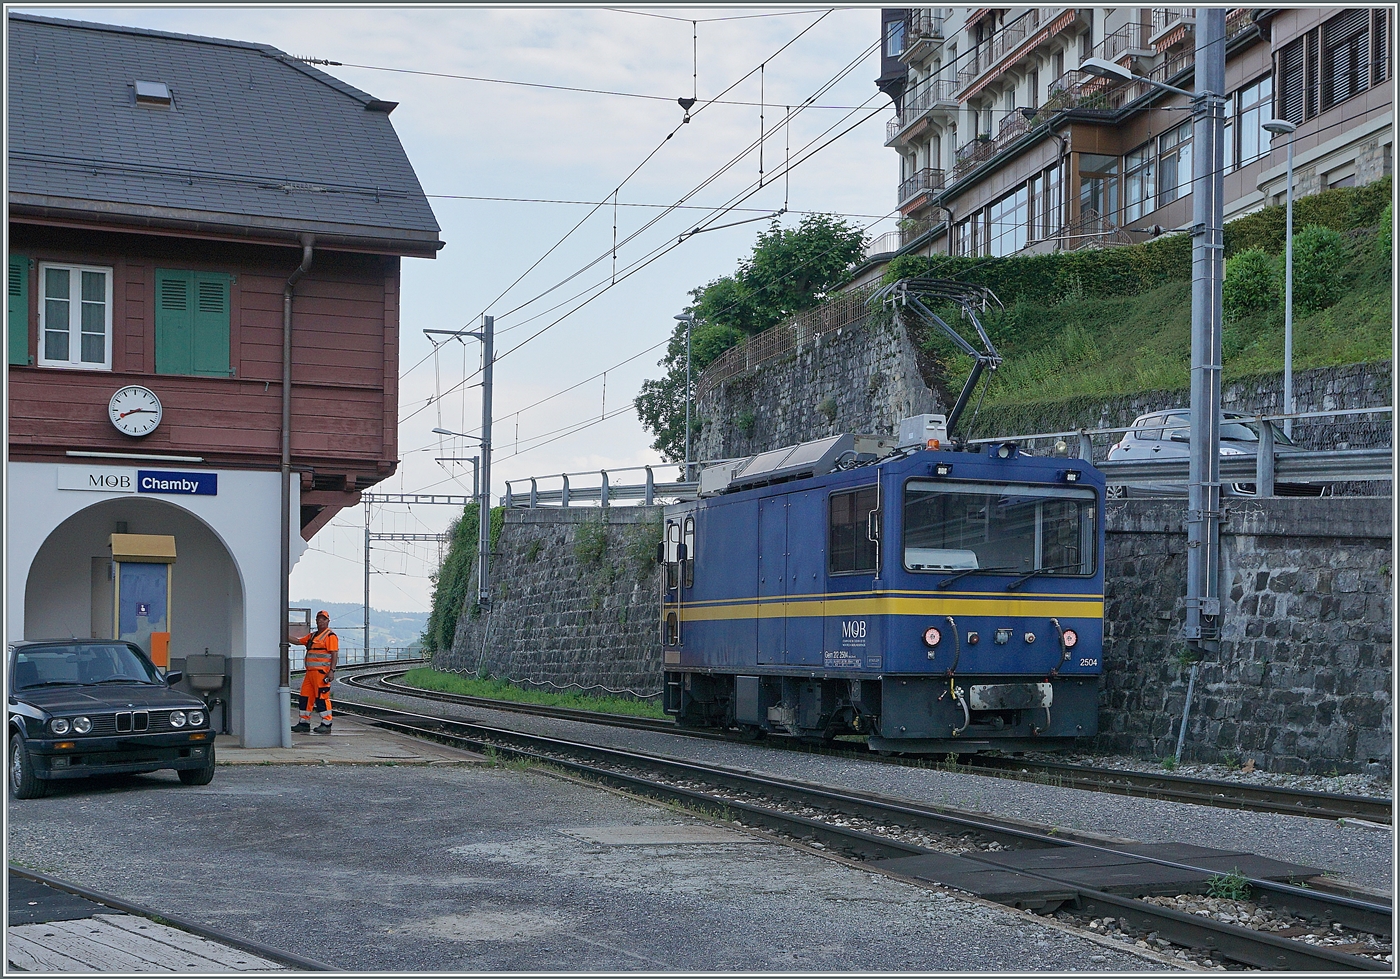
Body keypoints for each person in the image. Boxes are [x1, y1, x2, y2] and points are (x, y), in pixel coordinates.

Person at [291, 610, 338, 733]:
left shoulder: (330, 636)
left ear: (328, 621)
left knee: (322, 698)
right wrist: (282, 634)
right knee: (305, 697)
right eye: (319, 619)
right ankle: (304, 723)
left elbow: (334, 653)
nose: (321, 621)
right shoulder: (312, 636)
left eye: (323, 619)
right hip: (310, 673)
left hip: (321, 673)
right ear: (316, 621)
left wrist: (331, 671)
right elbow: (297, 641)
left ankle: (326, 723)